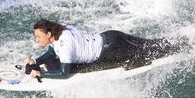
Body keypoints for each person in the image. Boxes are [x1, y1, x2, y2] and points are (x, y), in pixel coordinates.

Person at [25, 19, 186, 79]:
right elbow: (52, 51)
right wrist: (36, 62)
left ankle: (190, 46)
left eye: (39, 36)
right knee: (153, 44)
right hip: (111, 36)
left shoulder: (65, 45)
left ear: (49, 34)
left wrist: (42, 73)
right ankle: (186, 39)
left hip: (113, 50)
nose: (36, 39)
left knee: (155, 52)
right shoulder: (62, 29)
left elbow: (64, 73)